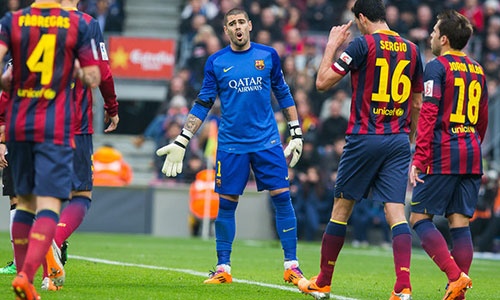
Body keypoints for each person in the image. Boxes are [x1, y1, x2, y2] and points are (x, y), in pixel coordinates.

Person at [156, 7, 305, 286]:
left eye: (241, 22)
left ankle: (292, 266)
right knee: (226, 205)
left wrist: (296, 132)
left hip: (267, 142)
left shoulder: (268, 55)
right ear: (226, 31)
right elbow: (203, 103)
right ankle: (223, 267)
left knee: (282, 198)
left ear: (249, 25)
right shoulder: (215, 62)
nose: (237, 27)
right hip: (231, 145)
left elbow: (283, 93)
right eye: (231, 24)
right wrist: (182, 139)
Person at [297, 0, 423, 299]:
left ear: (363, 18)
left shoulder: (362, 46)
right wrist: (410, 137)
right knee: (396, 212)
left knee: (341, 209)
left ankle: (323, 281)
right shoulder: (412, 49)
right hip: (397, 140)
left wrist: (332, 45)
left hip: (364, 137)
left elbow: (322, 82)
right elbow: (417, 102)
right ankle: (403, 287)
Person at [0, 0, 101, 298]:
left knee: (24, 202)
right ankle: (29, 276)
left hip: (18, 125)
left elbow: (5, 74)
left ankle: (22, 275)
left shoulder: (13, 20)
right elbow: (94, 75)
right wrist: (80, 75)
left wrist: (8, 83)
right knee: (48, 203)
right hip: (53, 125)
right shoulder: (77, 24)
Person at [408, 10, 489, 300]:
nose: (429, 35)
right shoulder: (478, 70)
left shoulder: (437, 67)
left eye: (433, 31)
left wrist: (418, 158)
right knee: (459, 222)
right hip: (472, 151)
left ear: (443, 38)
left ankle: (455, 278)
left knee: (419, 218)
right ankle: (459, 293)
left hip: (445, 151)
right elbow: (482, 119)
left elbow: (428, 114)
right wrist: (472, 145)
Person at [40, 0, 120, 292]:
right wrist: (112, 107)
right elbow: (102, 71)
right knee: (81, 194)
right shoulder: (86, 23)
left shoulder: (36, 22)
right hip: (74, 123)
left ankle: (50, 273)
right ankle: (55, 241)